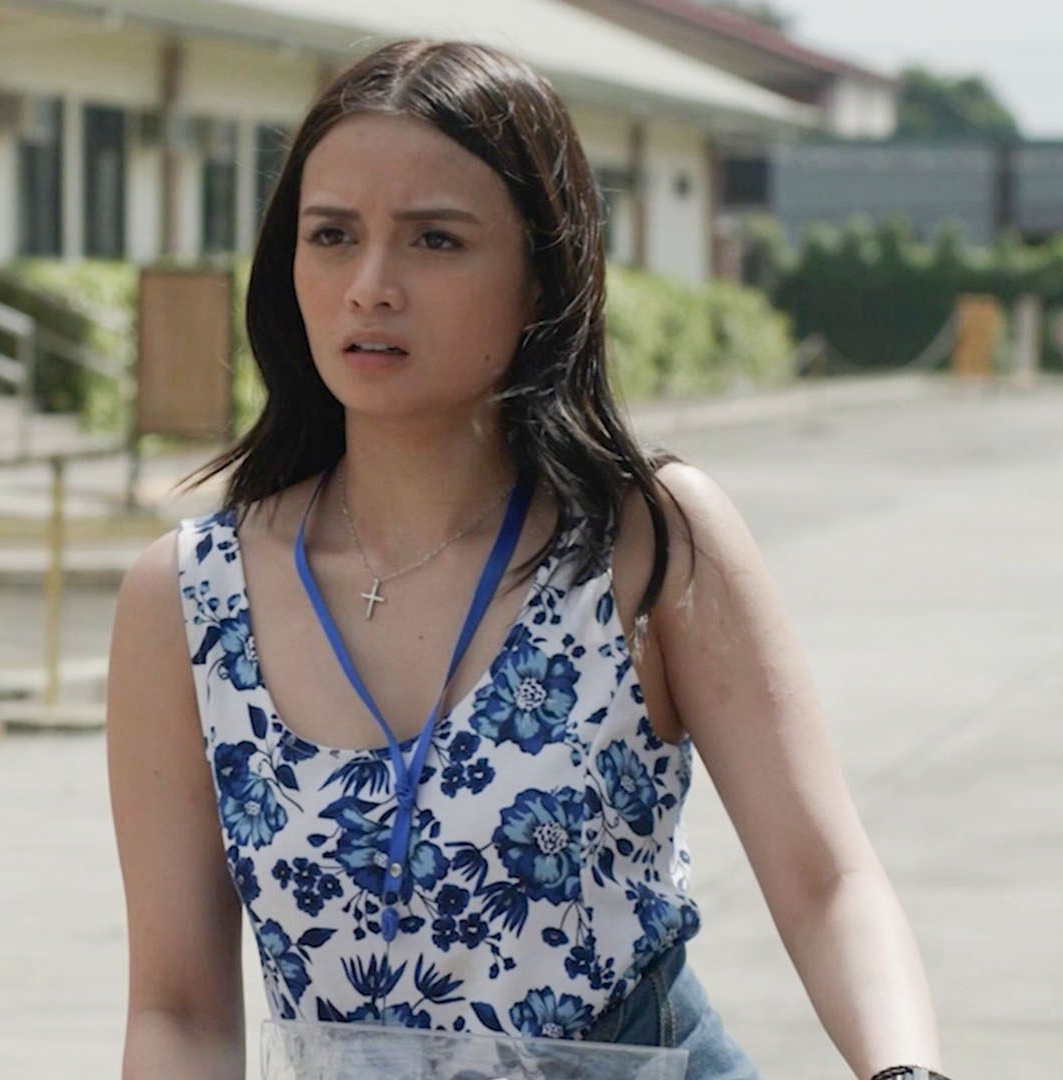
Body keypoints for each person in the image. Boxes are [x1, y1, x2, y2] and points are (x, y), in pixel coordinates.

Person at [107, 40, 947, 1080]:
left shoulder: (645, 540)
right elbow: (180, 1011)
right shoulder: (189, 598)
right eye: (332, 236)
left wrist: (906, 1073)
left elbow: (825, 881)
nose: (370, 286)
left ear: (543, 274)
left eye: (436, 240)